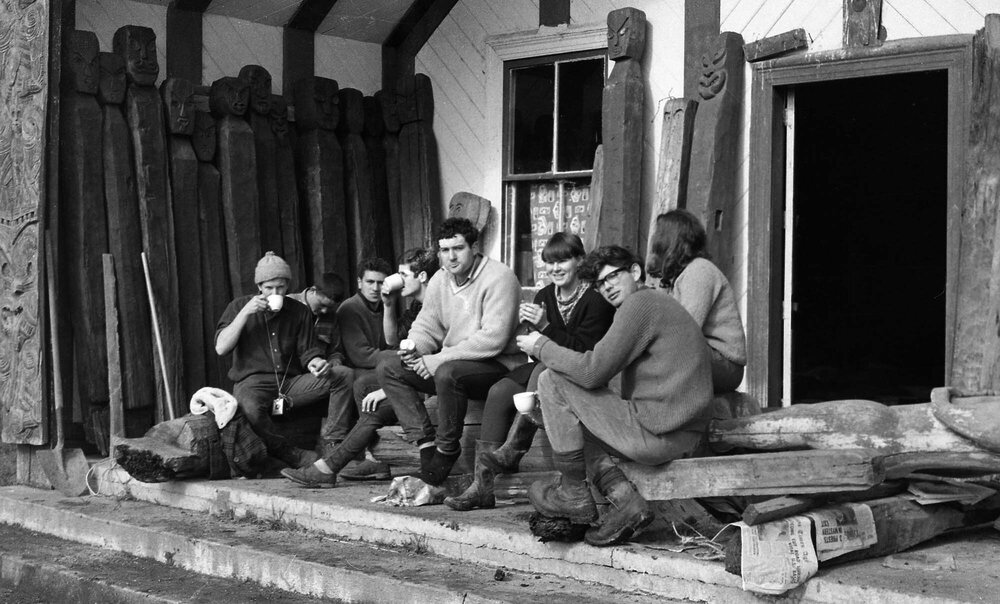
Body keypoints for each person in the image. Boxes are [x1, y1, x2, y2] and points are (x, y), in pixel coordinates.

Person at [516, 245, 713, 546]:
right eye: (599, 284)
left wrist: (541, 345)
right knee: (574, 418)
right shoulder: (656, 303)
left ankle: (572, 491)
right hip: (677, 432)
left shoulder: (641, 304)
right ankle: (626, 503)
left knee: (551, 379)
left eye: (612, 277)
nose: (606, 287)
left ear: (635, 272)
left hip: (662, 435)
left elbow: (592, 372)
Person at [444, 232, 614, 511]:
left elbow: (585, 350)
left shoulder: (595, 299)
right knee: (499, 391)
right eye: (550, 262)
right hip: (544, 363)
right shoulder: (547, 294)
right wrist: (526, 331)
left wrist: (545, 328)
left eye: (563, 261)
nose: (555, 269)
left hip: (580, 371)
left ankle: (513, 449)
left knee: (542, 372)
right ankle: (482, 486)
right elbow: (535, 342)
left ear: (579, 261)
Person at [281, 247, 440, 486]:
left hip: (432, 376)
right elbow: (390, 346)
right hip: (400, 374)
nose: (378, 287)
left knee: (370, 390)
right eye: (370, 282)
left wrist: (389, 382)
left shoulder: (437, 305)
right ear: (359, 282)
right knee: (367, 397)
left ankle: (335, 464)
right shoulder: (408, 308)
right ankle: (333, 465)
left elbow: (418, 355)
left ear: (422, 277)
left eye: (400, 276)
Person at [214, 252, 354, 468]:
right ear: (259, 286)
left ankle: (332, 445)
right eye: (269, 288)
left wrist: (316, 363)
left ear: (287, 285)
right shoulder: (239, 306)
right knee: (249, 406)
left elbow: (308, 352)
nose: (275, 293)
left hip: (290, 384)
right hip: (253, 383)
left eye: (280, 287)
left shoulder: (299, 311)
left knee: (344, 376)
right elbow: (222, 347)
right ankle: (291, 454)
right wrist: (245, 313)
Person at [646, 209, 747, 393]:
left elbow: (684, 330)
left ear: (669, 240)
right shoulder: (683, 274)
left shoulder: (699, 271)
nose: (655, 241)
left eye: (659, 235)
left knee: (658, 355)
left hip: (725, 363)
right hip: (706, 356)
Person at [286, 273, 356, 448]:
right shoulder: (288, 305)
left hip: (314, 378)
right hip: (284, 379)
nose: (324, 311)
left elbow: (336, 352)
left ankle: (334, 445)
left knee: (346, 375)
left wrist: (331, 366)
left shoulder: (330, 317)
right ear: (313, 291)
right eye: (322, 305)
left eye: (330, 308)